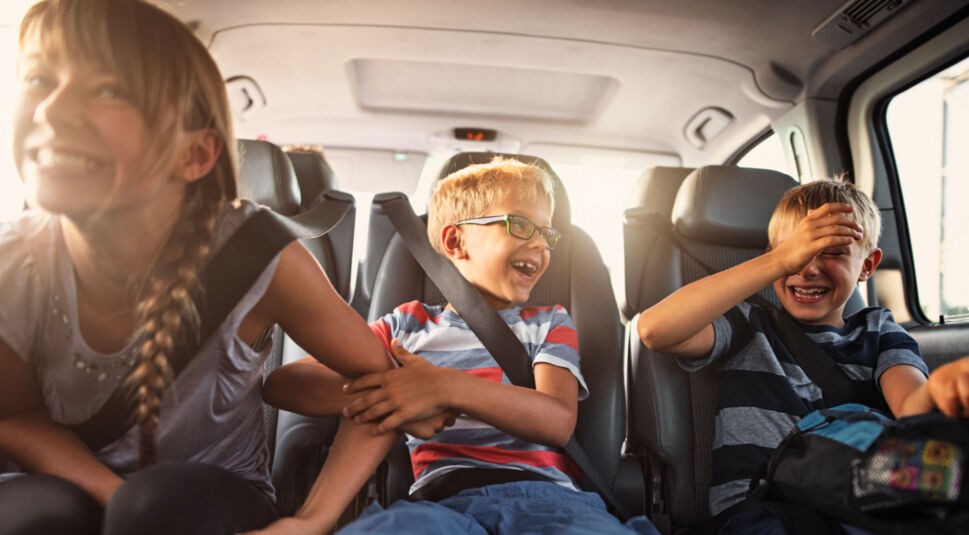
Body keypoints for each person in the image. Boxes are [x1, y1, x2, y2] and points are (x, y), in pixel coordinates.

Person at [0, 1, 436, 533]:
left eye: (109, 90)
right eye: (39, 78)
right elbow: (16, 415)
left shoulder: (260, 261)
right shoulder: (14, 261)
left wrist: (311, 520)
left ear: (196, 155)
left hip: (216, 493)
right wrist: (113, 497)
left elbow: (384, 388)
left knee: (154, 507)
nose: (51, 109)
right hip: (74, 483)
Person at [264, 156, 659, 534]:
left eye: (547, 233)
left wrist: (444, 387)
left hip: (547, 500)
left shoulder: (548, 323)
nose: (541, 246)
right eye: (521, 225)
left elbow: (557, 420)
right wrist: (387, 392)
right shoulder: (408, 325)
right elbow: (283, 383)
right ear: (456, 241)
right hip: (439, 503)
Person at [636, 177, 957, 530]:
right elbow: (655, 329)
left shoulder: (879, 332)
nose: (808, 268)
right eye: (797, 253)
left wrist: (944, 389)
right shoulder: (749, 325)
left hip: (856, 505)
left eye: (832, 252)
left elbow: (911, 409)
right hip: (762, 508)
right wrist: (778, 262)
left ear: (867, 265)